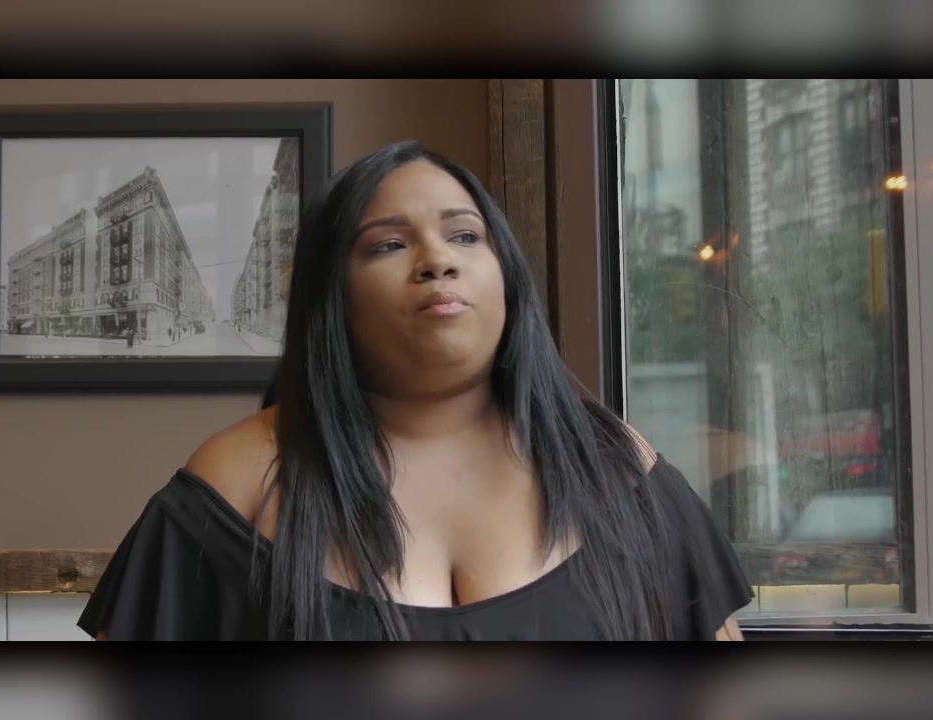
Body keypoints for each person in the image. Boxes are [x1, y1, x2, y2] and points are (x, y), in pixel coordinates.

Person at [78, 141, 753, 640]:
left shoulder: (616, 467)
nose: (437, 260)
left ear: (506, 276)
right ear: (331, 298)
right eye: (388, 245)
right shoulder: (239, 479)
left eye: (464, 235)